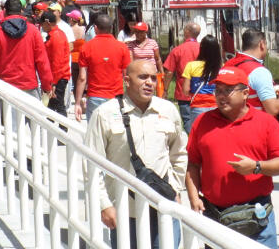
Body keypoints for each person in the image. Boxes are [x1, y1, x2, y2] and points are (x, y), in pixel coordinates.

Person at [84, 59, 186, 249]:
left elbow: (178, 154)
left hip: (163, 205)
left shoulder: (168, 110)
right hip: (125, 210)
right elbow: (91, 164)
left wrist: (176, 188)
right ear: (127, 81)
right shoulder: (104, 114)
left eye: (153, 79)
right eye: (142, 77)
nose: (149, 83)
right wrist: (104, 205)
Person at [186, 67, 279, 248]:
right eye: (218, 90)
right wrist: (194, 198)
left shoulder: (266, 122)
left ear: (245, 93)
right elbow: (193, 165)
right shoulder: (202, 122)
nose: (221, 95)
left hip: (256, 218)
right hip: (215, 216)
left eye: (228, 90)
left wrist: (256, 166)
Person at [0, 0, 53, 99]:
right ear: (21, 11)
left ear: (5, 11)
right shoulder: (33, 31)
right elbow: (42, 61)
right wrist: (47, 85)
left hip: (4, 88)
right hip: (28, 87)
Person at [224, 28, 279, 116]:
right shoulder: (259, 72)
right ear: (262, 44)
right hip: (253, 124)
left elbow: (249, 89)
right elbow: (273, 110)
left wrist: (275, 88)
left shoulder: (227, 65)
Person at [74, 13, 131, 123]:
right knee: (114, 133)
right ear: (111, 28)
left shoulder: (86, 47)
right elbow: (127, 76)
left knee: (95, 135)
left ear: (95, 28)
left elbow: (82, 78)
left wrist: (77, 103)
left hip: (95, 97)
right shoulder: (122, 48)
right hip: (116, 98)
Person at [180, 35, 223, 133]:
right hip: (217, 106)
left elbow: (185, 91)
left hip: (198, 107)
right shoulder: (221, 68)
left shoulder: (191, 66)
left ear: (201, 49)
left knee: (199, 135)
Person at [163, 22, 201, 130]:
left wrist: (165, 90)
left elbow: (169, 72)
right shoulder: (204, 49)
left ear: (187, 32)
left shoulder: (178, 50)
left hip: (183, 92)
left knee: (188, 120)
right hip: (202, 91)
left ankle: (191, 142)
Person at [40, 10, 71, 117]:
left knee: (58, 104)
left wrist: (53, 83)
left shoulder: (56, 36)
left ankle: (63, 130)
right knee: (53, 106)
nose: (41, 26)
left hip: (59, 77)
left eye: (42, 24)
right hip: (57, 76)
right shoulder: (55, 35)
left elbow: (57, 62)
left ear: (47, 23)